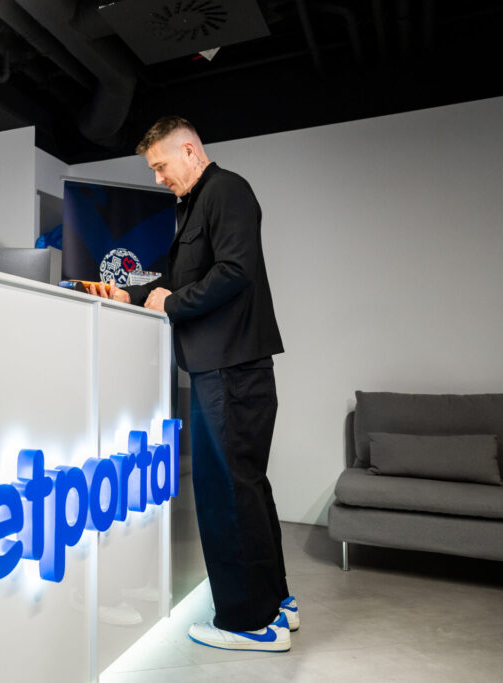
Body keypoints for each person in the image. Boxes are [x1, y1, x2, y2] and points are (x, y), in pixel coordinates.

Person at [91, 116, 296, 652]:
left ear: (189, 150)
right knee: (247, 486)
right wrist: (135, 295)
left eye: (161, 167)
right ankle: (275, 603)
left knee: (226, 491)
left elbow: (235, 271)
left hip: (229, 369)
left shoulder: (226, 190)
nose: (158, 179)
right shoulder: (197, 203)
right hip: (227, 367)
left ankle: (249, 623)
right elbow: (180, 279)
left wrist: (173, 304)